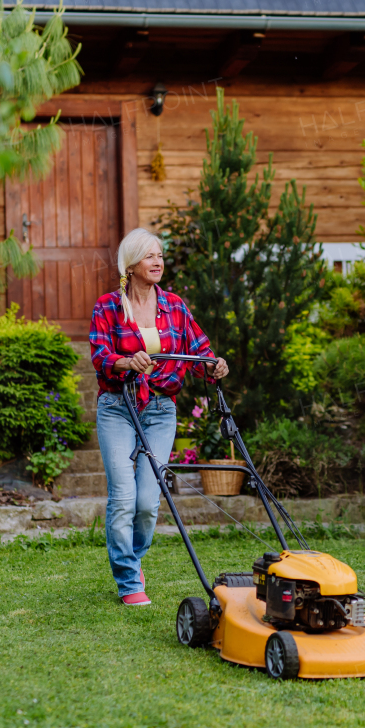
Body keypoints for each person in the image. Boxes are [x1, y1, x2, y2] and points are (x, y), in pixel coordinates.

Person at [88, 228, 229, 606]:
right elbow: (101, 357)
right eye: (150, 256)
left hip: (161, 410)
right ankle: (129, 580)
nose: (158, 262)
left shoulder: (175, 306)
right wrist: (125, 360)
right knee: (123, 497)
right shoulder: (108, 307)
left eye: (161, 256)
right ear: (130, 264)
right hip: (119, 406)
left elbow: (199, 349)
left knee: (148, 501)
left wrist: (214, 364)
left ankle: (132, 558)